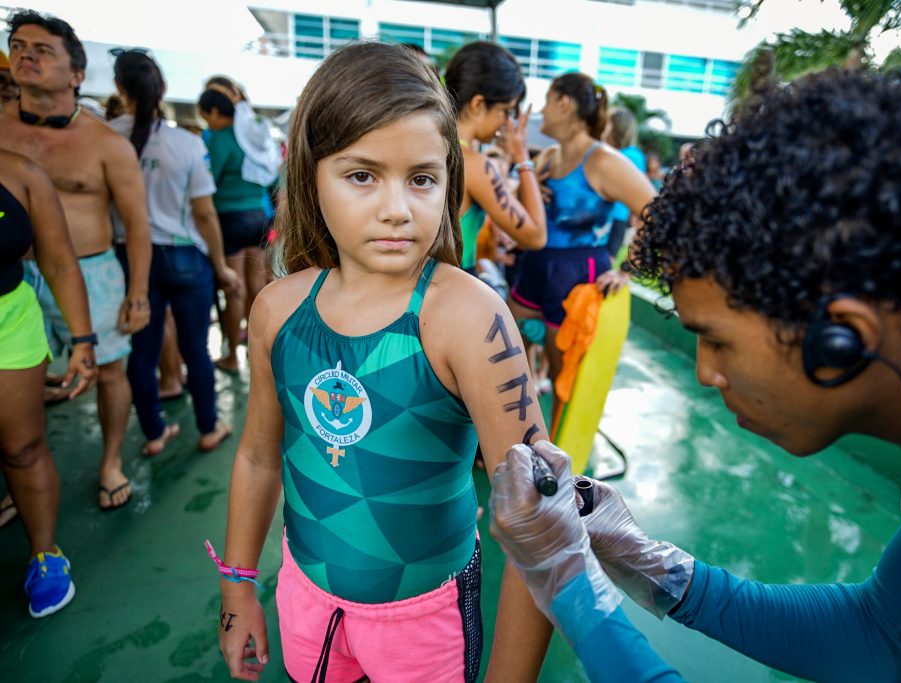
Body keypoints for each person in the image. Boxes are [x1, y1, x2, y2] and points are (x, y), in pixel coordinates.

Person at [490, 70, 901, 682]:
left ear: (841, 336)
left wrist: (568, 582)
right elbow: (875, 630)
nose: (705, 372)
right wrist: (654, 565)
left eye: (715, 339)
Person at [214, 42, 553, 682]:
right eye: (362, 175)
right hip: (304, 599)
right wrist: (237, 590)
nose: (398, 208)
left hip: (427, 621)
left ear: (449, 179)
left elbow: (538, 526)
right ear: (309, 175)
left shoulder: (469, 318)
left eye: (422, 178)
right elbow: (260, 456)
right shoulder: (277, 309)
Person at [1, 10, 151, 510]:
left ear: (77, 74)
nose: (26, 55)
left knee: (110, 371)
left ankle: (111, 460)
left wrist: (138, 293)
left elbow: (138, 224)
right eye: (19, 46)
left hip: (93, 271)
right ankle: (19, 478)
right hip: (13, 275)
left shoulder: (107, 144)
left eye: (43, 50)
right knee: (18, 382)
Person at [109, 51, 238, 455]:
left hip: (129, 260)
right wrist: (220, 266)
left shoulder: (105, 137)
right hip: (185, 258)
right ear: (162, 90)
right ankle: (208, 426)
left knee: (141, 353)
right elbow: (204, 213)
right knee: (195, 348)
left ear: (119, 89)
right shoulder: (187, 144)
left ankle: (153, 433)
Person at [508, 72, 655, 419]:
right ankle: (522, 431)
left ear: (565, 103)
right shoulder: (547, 158)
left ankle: (561, 458)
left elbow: (657, 211)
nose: (542, 111)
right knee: (507, 344)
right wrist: (529, 190)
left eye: (547, 101)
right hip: (535, 264)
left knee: (564, 378)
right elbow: (514, 210)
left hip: (577, 272)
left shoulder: (603, 160)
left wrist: (626, 270)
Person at [1, 148, 97, 616]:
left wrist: (83, 340)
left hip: (9, 320)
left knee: (22, 446)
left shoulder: (20, 173)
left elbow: (59, 261)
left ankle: (45, 554)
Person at [443, 41, 546, 274]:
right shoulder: (473, 164)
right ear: (478, 104)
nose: (505, 123)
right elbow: (536, 235)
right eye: (505, 111)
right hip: (452, 289)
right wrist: (522, 157)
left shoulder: (427, 145)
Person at [198, 84, 274, 375]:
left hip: (229, 218)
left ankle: (231, 357)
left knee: (234, 289)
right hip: (259, 215)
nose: (208, 123)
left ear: (216, 112)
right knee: (258, 286)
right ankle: (264, 349)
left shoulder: (218, 139)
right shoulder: (252, 136)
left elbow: (208, 181)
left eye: (207, 116)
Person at [601, 107, 646, 259]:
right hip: (608, 217)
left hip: (615, 218)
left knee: (604, 265)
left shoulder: (630, 155)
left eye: (607, 122)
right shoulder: (623, 153)